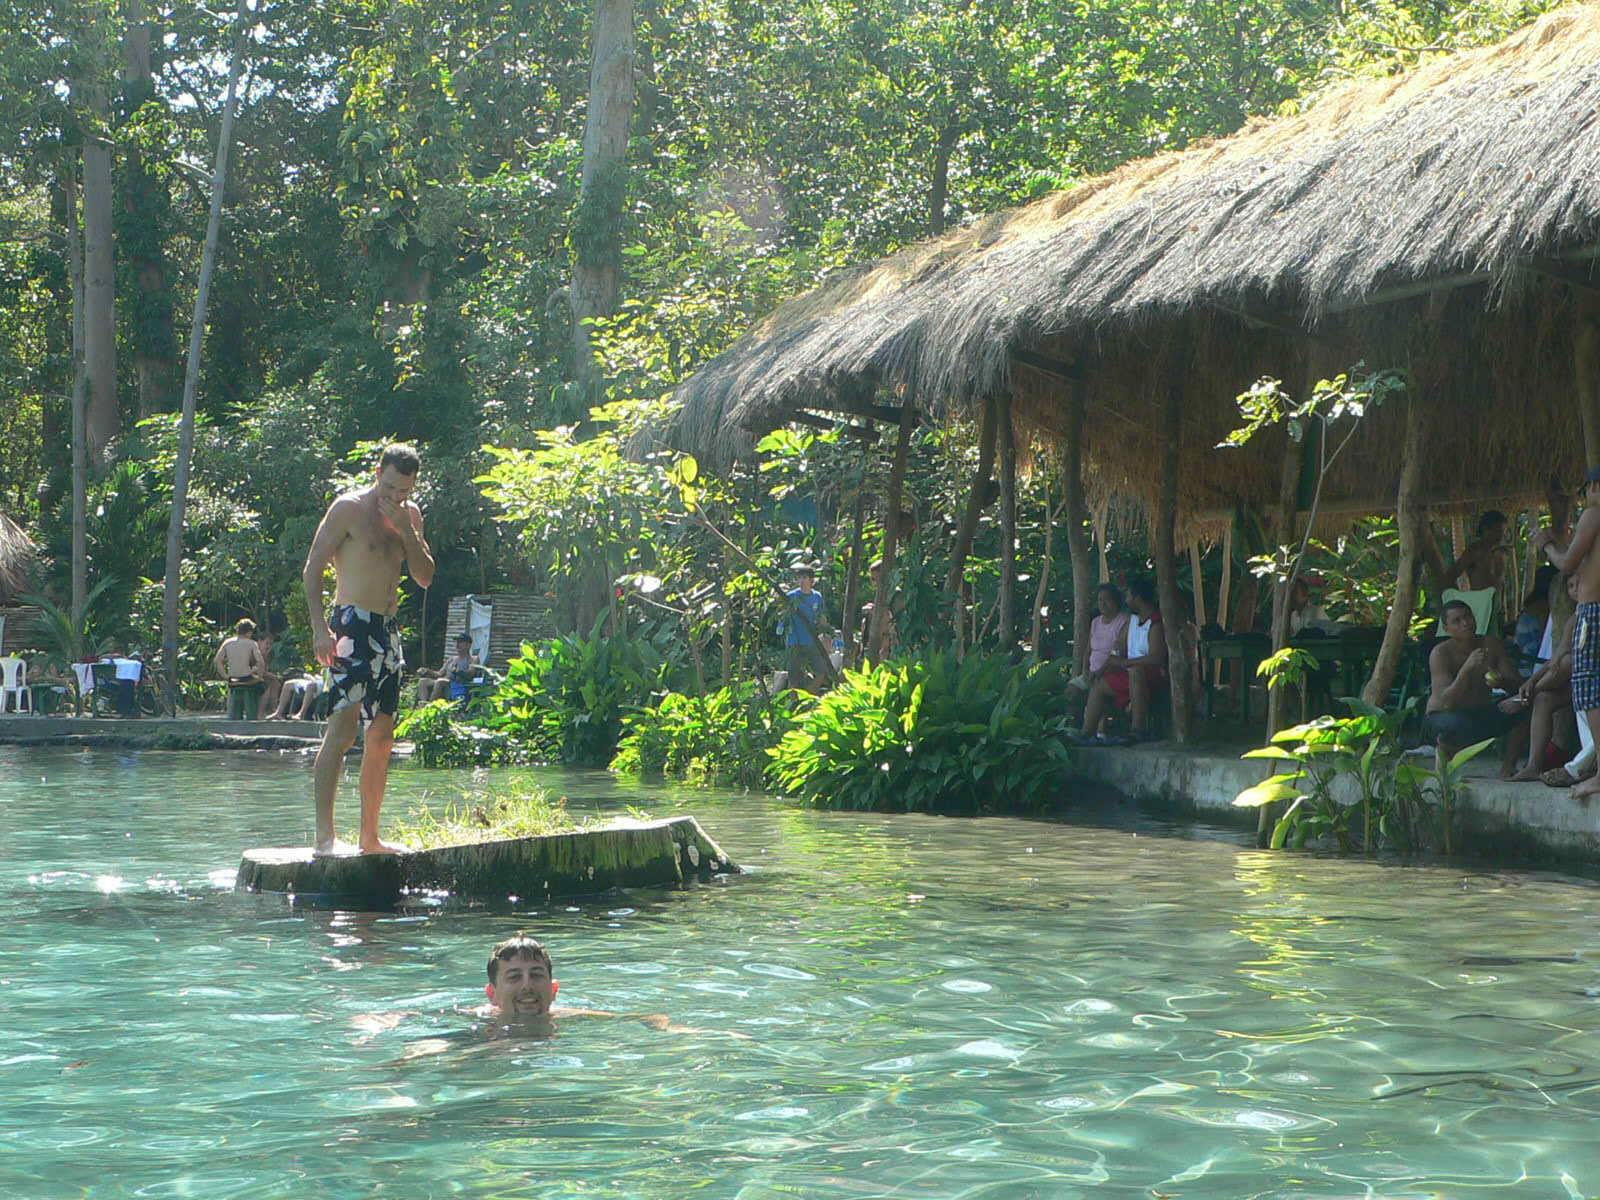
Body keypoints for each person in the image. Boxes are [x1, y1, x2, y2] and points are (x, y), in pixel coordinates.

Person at [303, 443, 434, 855]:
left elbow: (426, 577)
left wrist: (407, 528)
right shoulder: (348, 507)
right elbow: (312, 569)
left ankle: (369, 837)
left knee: (382, 737)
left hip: (387, 631)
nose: (396, 497)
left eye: (404, 491)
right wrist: (319, 629)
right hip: (351, 625)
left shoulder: (410, 515)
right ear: (379, 472)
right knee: (342, 731)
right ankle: (326, 836)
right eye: (391, 487)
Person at [1533, 465, 1600, 799]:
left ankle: (1599, 772)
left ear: (1593, 487)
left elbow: (1568, 563)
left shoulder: (1594, 512)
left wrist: (1547, 545)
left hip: (1594, 611)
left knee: (1591, 691)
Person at [1422, 598, 1528, 777]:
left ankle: (1509, 766)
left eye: (1467, 616)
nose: (1465, 623)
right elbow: (1446, 702)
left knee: (1523, 704)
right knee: (1453, 724)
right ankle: (1445, 754)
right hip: (1443, 717)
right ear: (1447, 629)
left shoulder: (1491, 644)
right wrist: (1466, 669)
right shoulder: (1440, 653)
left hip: (1481, 712)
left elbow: (1518, 685)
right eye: (1457, 621)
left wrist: (1501, 682)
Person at [1511, 572, 1579, 781]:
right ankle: (1534, 765)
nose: (1575, 590)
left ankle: (1523, 698)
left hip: (1590, 678)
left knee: (1569, 661)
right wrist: (1531, 681)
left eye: (1579, 584)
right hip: (1581, 681)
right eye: (1570, 586)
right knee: (1544, 699)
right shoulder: (1575, 617)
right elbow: (1556, 656)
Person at [1080, 578, 1167, 742]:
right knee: (1099, 683)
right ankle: (1087, 733)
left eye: (1129, 596)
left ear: (1138, 599)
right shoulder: (1133, 621)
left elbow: (1156, 657)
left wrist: (1126, 663)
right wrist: (1102, 669)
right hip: (1130, 671)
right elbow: (1117, 648)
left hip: (1152, 674)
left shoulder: (1156, 622)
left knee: (1135, 672)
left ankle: (1138, 730)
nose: (1126, 600)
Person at [1066, 583, 1129, 703]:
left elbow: (1118, 653)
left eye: (1107, 599)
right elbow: (1088, 651)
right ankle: (1073, 720)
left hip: (1111, 673)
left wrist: (1099, 673)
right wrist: (1085, 671)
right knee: (1071, 691)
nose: (1102, 603)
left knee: (1096, 692)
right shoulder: (1096, 622)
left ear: (1116, 601)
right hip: (1091, 673)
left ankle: (1100, 720)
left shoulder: (1124, 621)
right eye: (1100, 600)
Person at [783, 564, 830, 693]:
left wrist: (826, 631)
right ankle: (794, 703)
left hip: (812, 641)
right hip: (795, 641)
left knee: (821, 672)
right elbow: (782, 615)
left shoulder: (817, 597)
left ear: (812, 581)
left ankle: (809, 695)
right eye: (799, 578)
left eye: (804, 578)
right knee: (794, 677)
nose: (801, 581)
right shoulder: (791, 596)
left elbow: (822, 617)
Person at [214, 619, 265, 720]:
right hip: (246, 678)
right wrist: (259, 676)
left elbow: (217, 661)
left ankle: (234, 714)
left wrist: (225, 676)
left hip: (233, 678)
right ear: (249, 632)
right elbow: (260, 662)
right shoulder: (252, 643)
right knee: (262, 686)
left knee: (235, 689)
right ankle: (256, 714)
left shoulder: (227, 642)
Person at [418, 634, 490, 704]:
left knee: (440, 681)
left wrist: (460, 671)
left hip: (459, 683)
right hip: (446, 681)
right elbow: (439, 673)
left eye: (461, 642)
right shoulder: (451, 659)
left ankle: (430, 706)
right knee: (423, 681)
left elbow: (471, 673)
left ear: (468, 645)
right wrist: (427, 671)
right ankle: (423, 705)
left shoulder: (473, 659)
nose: (458, 644)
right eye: (457, 642)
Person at [857, 560, 898, 663]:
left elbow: (893, 616)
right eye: (872, 579)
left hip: (890, 639)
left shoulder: (896, 594)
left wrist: (877, 611)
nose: (874, 583)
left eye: (876, 579)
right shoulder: (879, 594)